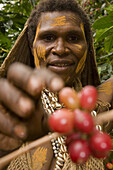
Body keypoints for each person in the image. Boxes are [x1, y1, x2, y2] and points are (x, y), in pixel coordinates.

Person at [0, 0, 113, 169]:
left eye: (73, 38)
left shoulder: (99, 106)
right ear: (32, 47)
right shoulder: (10, 112)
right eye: (48, 38)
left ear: (87, 49)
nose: (60, 49)